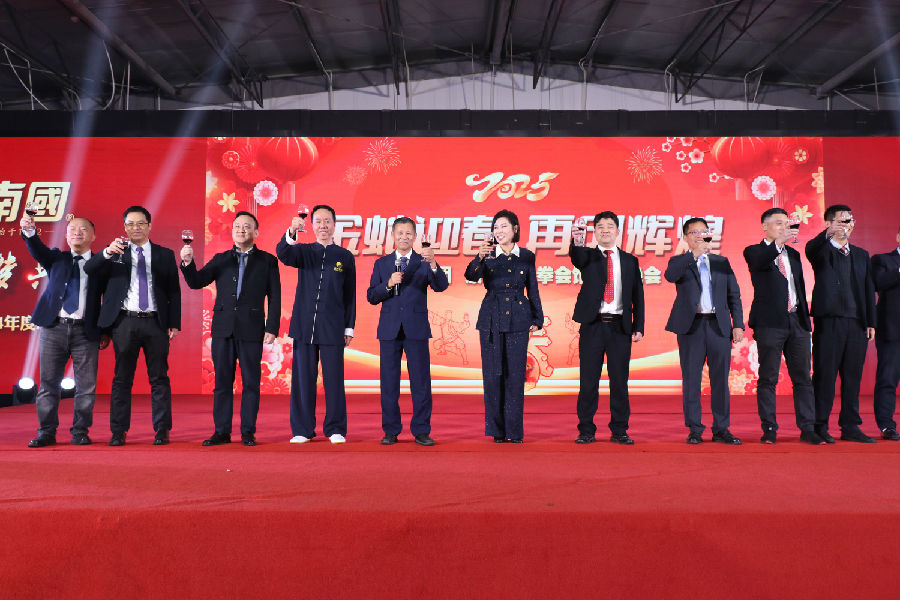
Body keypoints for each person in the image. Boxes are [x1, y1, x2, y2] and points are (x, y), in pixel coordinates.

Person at [180, 211, 280, 447]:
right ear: (232, 231)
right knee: (222, 383)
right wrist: (187, 263)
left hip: (252, 328)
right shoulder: (221, 259)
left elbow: (275, 296)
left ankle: (248, 432)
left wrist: (272, 327)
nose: (241, 230)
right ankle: (221, 431)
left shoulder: (267, 261)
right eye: (237, 226)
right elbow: (196, 282)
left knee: (251, 383)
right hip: (223, 329)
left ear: (256, 232)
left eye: (247, 226)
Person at [84, 205, 181, 446]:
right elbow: (89, 269)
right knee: (122, 379)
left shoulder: (164, 254)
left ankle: (162, 430)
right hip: (124, 322)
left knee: (159, 378)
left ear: (149, 225)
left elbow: (174, 291)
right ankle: (118, 431)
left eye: (140, 223)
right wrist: (106, 252)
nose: (135, 228)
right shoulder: (115, 252)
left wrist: (174, 323)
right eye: (130, 224)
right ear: (124, 227)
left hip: (156, 322)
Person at [20, 214, 105, 447]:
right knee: (48, 384)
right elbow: (36, 248)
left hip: (86, 332)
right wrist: (29, 231)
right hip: (53, 328)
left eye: (83, 229)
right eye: (72, 229)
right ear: (66, 235)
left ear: (93, 236)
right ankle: (46, 432)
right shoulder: (56, 258)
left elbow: (110, 299)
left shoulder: (101, 264)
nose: (77, 232)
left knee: (86, 386)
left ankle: (80, 431)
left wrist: (106, 330)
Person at [276, 204, 355, 444]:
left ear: (334, 224)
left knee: (334, 379)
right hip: (304, 326)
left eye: (327, 221)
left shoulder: (344, 256)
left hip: (333, 326)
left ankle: (335, 429)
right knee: (303, 379)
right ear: (311, 225)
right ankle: (302, 429)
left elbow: (349, 295)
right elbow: (283, 253)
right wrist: (292, 231)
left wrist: (348, 327)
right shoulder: (303, 251)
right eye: (318, 221)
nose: (323, 225)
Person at [743, 208, 824, 445]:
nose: (784, 227)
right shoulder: (754, 251)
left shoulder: (794, 255)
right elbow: (759, 263)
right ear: (764, 226)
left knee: (803, 378)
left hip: (797, 321)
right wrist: (778, 243)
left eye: (786, 223)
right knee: (768, 378)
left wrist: (804, 319)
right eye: (779, 223)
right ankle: (769, 428)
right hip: (770, 323)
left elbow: (798, 287)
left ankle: (807, 428)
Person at [366, 217, 449, 446]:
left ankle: (421, 430)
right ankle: (390, 430)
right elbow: (371, 296)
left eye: (408, 233)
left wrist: (433, 264)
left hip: (416, 328)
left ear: (415, 237)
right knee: (389, 382)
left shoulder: (423, 262)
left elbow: (441, 286)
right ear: (393, 235)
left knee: (421, 382)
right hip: (389, 329)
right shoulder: (382, 264)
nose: (404, 237)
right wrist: (388, 284)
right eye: (400, 233)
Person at [464, 209, 543, 443]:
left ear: (515, 228)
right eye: (495, 227)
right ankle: (497, 431)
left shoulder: (526, 256)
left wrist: (537, 318)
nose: (499, 231)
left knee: (516, 376)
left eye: (503, 226)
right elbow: (471, 276)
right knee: (492, 375)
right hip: (491, 318)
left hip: (519, 318)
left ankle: (514, 432)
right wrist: (479, 257)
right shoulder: (487, 255)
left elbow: (533, 288)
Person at [665, 217, 744, 445]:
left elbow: (734, 295)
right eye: (695, 232)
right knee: (691, 379)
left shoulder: (721, 262)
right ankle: (695, 429)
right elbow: (670, 276)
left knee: (720, 380)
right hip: (691, 327)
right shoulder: (679, 261)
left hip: (718, 326)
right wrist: (694, 255)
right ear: (686, 237)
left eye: (704, 231)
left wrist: (738, 324)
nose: (700, 235)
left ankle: (721, 428)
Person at [569, 211, 645, 445]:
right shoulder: (588, 256)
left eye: (609, 226)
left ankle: (620, 429)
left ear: (618, 231)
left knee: (619, 381)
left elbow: (638, 295)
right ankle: (586, 430)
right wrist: (577, 240)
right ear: (595, 232)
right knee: (588, 381)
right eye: (600, 226)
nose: (605, 230)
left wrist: (639, 325)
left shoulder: (630, 261)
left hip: (620, 327)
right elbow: (576, 257)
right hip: (593, 325)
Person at [805, 204, 877, 443]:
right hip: (829, 322)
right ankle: (819, 425)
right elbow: (811, 248)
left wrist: (870, 321)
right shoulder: (821, 251)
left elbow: (868, 289)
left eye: (850, 220)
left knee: (852, 376)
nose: (848, 224)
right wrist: (828, 234)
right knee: (825, 375)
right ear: (829, 224)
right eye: (842, 220)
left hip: (857, 323)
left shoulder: (861, 254)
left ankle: (850, 426)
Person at [872, 228, 900, 441]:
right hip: (892, 331)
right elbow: (877, 283)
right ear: (898, 237)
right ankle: (886, 425)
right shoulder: (882, 260)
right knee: (887, 379)